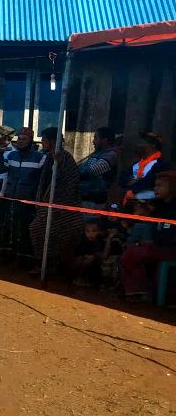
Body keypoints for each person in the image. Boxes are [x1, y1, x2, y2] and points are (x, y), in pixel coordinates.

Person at [29, 127, 83, 275]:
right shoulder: (47, 157)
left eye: (44, 140)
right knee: (39, 231)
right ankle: (44, 264)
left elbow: (70, 183)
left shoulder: (65, 158)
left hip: (62, 206)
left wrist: (58, 202)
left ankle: (51, 266)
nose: (42, 142)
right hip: (47, 204)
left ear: (52, 141)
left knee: (46, 232)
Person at [120, 170, 176, 300]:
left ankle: (140, 291)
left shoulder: (173, 208)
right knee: (130, 249)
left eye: (160, 186)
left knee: (132, 254)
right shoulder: (159, 206)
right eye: (155, 186)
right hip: (159, 246)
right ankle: (136, 289)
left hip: (170, 248)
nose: (156, 189)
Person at [0, 127, 47, 263]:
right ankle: (7, 257)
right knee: (8, 228)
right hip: (10, 198)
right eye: (19, 139)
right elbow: (1, 170)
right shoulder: (12, 156)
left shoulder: (40, 158)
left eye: (24, 139)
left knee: (24, 230)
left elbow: (44, 180)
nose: (20, 142)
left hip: (28, 201)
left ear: (31, 141)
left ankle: (24, 259)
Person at [78, 127, 119, 214]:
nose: (93, 141)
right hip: (86, 192)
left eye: (96, 138)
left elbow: (92, 171)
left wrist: (74, 174)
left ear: (105, 140)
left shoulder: (111, 155)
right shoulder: (96, 154)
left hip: (96, 196)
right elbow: (81, 168)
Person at [121, 132, 169, 201]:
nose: (138, 145)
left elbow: (148, 184)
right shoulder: (136, 164)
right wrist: (132, 182)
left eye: (142, 142)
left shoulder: (161, 164)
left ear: (152, 145)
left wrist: (133, 184)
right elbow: (122, 181)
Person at [71, 221, 106, 287]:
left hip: (94, 261)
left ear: (99, 232)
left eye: (94, 231)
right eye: (87, 231)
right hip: (83, 257)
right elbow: (78, 251)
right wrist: (83, 256)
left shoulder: (100, 242)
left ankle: (80, 278)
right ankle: (75, 278)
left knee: (87, 261)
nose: (90, 234)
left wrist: (93, 256)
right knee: (78, 260)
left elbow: (100, 253)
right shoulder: (83, 241)